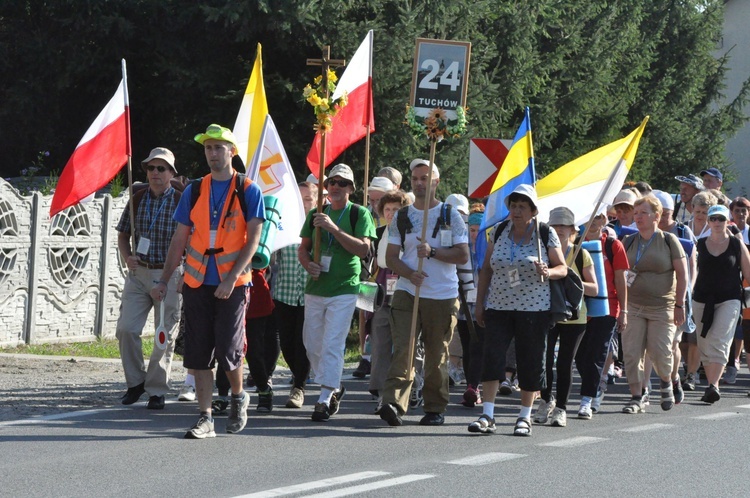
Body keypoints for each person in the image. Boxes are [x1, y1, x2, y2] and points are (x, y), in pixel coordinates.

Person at [151, 124, 265, 439]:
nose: (212, 153)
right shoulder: (195, 189)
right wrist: (165, 278)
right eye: (208, 148)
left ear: (232, 152)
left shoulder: (248, 188)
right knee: (198, 353)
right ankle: (205, 418)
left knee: (229, 351)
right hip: (198, 281)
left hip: (233, 283)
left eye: (218, 147)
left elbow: (253, 239)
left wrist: (230, 278)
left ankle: (239, 396)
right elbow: (179, 238)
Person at [468, 184, 567, 436]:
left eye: (522, 206)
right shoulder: (499, 231)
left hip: (534, 309)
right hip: (499, 306)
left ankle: (524, 416)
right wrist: (480, 304)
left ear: (533, 210)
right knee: (492, 358)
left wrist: (548, 271)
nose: (516, 210)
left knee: (530, 361)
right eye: (513, 206)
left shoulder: (545, 233)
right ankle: (487, 415)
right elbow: (487, 269)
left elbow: (562, 268)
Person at [378, 159, 469, 427]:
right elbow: (391, 256)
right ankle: (394, 403)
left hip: (441, 295)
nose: (419, 183)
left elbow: (463, 255)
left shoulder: (449, 214)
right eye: (415, 178)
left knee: (435, 352)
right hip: (408, 291)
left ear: (436, 182)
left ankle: (434, 407)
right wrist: (409, 273)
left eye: (425, 178)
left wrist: (432, 252)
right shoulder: (403, 216)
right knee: (404, 348)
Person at [298, 163, 376, 422]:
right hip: (316, 287)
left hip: (345, 287)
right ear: (326, 187)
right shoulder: (315, 215)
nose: (336, 187)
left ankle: (324, 397)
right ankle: (334, 385)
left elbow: (363, 250)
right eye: (332, 182)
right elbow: (303, 248)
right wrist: (308, 264)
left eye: (342, 183)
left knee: (333, 342)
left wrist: (333, 228)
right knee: (311, 342)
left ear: (351, 189)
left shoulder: (359, 214)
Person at [115, 147, 182, 410]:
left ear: (171, 173)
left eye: (161, 168)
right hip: (139, 273)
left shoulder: (180, 200)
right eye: (151, 168)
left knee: (162, 335)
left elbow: (191, 239)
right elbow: (123, 234)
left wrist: (175, 274)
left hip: (169, 274)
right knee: (126, 329)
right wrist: (127, 257)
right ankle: (135, 382)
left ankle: (156, 390)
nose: (155, 173)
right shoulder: (137, 197)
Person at [620, 195, 687, 414]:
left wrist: (680, 305)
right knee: (631, 353)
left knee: (660, 352)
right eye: (636, 213)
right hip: (634, 306)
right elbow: (620, 273)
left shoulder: (668, 240)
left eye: (643, 213)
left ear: (656, 216)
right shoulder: (629, 240)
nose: (638, 217)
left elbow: (682, 274)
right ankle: (637, 396)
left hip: (662, 307)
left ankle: (668, 381)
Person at [535, 207, 598, 428]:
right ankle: (545, 400)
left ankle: (561, 408)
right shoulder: (543, 252)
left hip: (574, 316)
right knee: (543, 360)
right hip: (547, 312)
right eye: (555, 225)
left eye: (564, 226)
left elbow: (594, 288)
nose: (559, 229)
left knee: (564, 363)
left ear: (573, 230)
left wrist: (570, 279)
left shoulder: (581, 254)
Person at [693, 204, 750, 402]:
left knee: (720, 339)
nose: (717, 222)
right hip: (701, 299)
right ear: (708, 221)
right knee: (705, 343)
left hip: (730, 299)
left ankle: (713, 385)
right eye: (713, 219)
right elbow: (692, 273)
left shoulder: (736, 244)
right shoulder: (699, 244)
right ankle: (711, 384)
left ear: (728, 222)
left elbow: (749, 274)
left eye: (721, 219)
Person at [575, 212, 628, 418]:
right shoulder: (576, 245)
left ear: (604, 220)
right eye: (588, 218)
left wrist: (624, 311)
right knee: (580, 357)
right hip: (580, 308)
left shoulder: (613, 246)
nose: (593, 222)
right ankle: (594, 385)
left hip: (607, 307)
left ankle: (588, 399)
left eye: (597, 217)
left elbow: (621, 281)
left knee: (598, 353)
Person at [274, 181, 317, 408]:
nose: (303, 203)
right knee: (288, 344)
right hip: (285, 292)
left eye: (308, 199)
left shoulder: (320, 225)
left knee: (304, 343)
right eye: (299, 199)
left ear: (317, 200)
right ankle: (298, 376)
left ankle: (298, 386)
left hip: (311, 293)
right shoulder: (284, 223)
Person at [368, 190, 412, 406]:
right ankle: (381, 390)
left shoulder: (412, 233)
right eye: (387, 209)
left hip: (407, 294)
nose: (392, 213)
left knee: (409, 346)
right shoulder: (378, 234)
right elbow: (371, 267)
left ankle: (412, 386)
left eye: (396, 209)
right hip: (382, 296)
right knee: (380, 344)